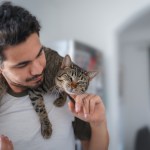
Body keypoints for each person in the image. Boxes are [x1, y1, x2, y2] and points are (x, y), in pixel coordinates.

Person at [0, 1, 109, 150]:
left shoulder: (68, 90)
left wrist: (99, 124)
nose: (38, 70)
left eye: (39, 54)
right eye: (22, 64)